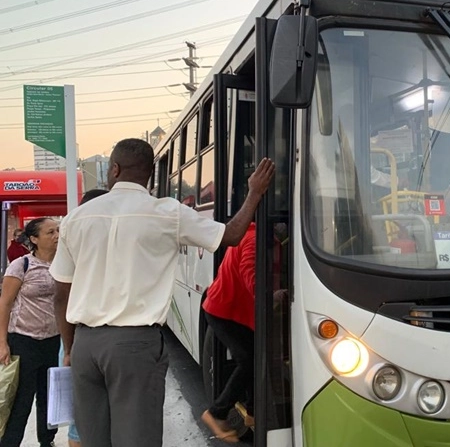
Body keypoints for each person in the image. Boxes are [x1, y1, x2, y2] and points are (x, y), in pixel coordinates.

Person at [50, 138, 275, 447]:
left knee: (93, 440)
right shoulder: (166, 213)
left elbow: (61, 293)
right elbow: (233, 234)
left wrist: (70, 347)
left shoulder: (77, 217)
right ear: (152, 173)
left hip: (85, 344)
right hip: (134, 347)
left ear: (114, 169)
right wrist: (254, 192)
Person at [0, 217, 61, 447]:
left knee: (50, 398)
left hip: (53, 341)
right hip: (23, 341)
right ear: (34, 239)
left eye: (58, 231)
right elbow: (5, 303)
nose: (57, 236)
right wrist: (2, 342)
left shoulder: (64, 265)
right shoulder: (21, 265)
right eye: (50, 232)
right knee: (20, 400)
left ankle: (48, 441)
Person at [57, 188, 109, 447]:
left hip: (79, 336)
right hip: (91, 336)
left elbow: (61, 296)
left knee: (82, 417)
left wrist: (68, 349)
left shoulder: (75, 237)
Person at [200, 223, 257, 442]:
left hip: (233, 310)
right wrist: (269, 298)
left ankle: (252, 412)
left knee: (254, 354)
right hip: (223, 311)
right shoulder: (254, 238)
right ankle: (216, 412)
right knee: (248, 359)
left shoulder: (253, 234)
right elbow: (249, 271)